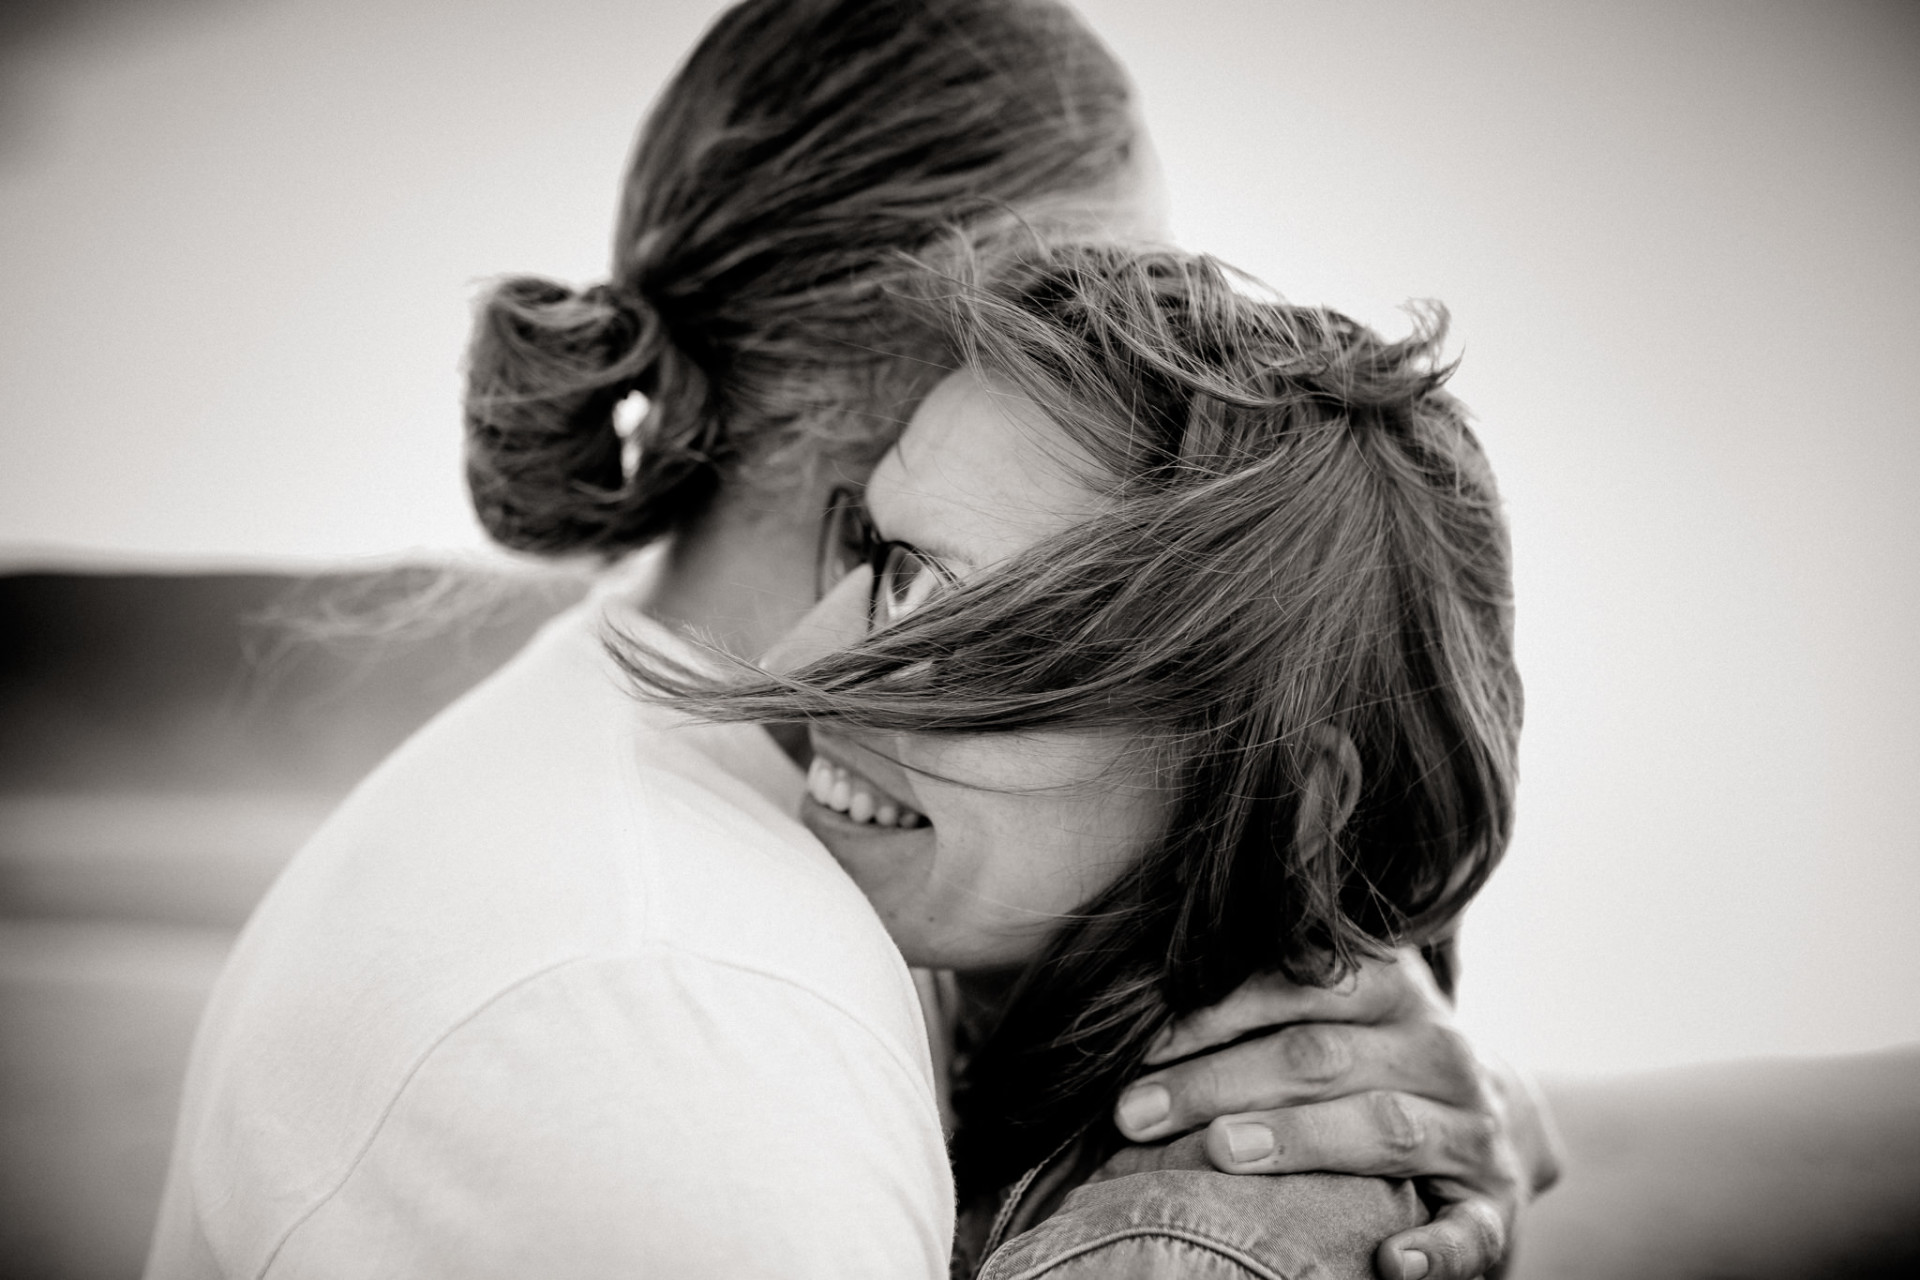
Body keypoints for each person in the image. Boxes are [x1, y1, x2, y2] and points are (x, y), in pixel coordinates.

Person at [148, 2, 1549, 1277]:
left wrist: (1357, 1045)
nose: (1142, 367)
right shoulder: (690, 1026)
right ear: (946, 351)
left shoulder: (814, 864)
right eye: (1107, 307)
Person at [631, 240, 1531, 1277]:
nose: (802, 665)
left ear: (1282, 804)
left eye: (949, 603)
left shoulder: (1155, 1252)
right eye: (875, 553)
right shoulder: (974, 1018)